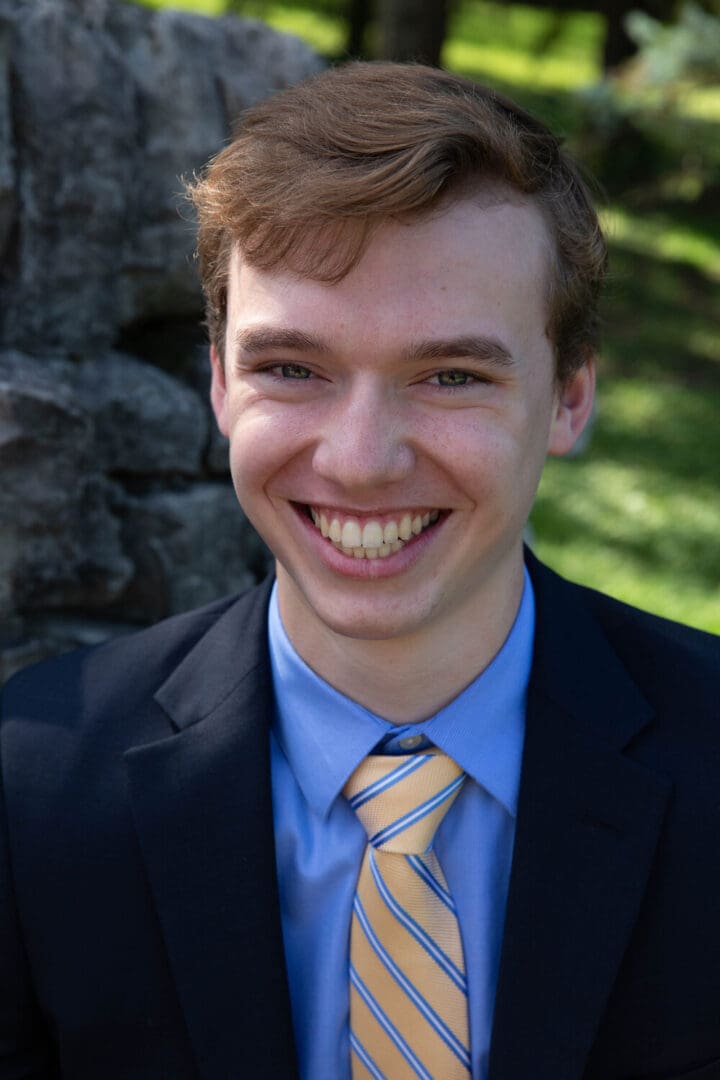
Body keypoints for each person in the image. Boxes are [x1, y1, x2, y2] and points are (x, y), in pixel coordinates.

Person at [1, 61, 719, 1080]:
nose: (359, 458)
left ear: (568, 397)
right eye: (292, 368)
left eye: (450, 376)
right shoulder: (31, 791)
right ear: (218, 379)